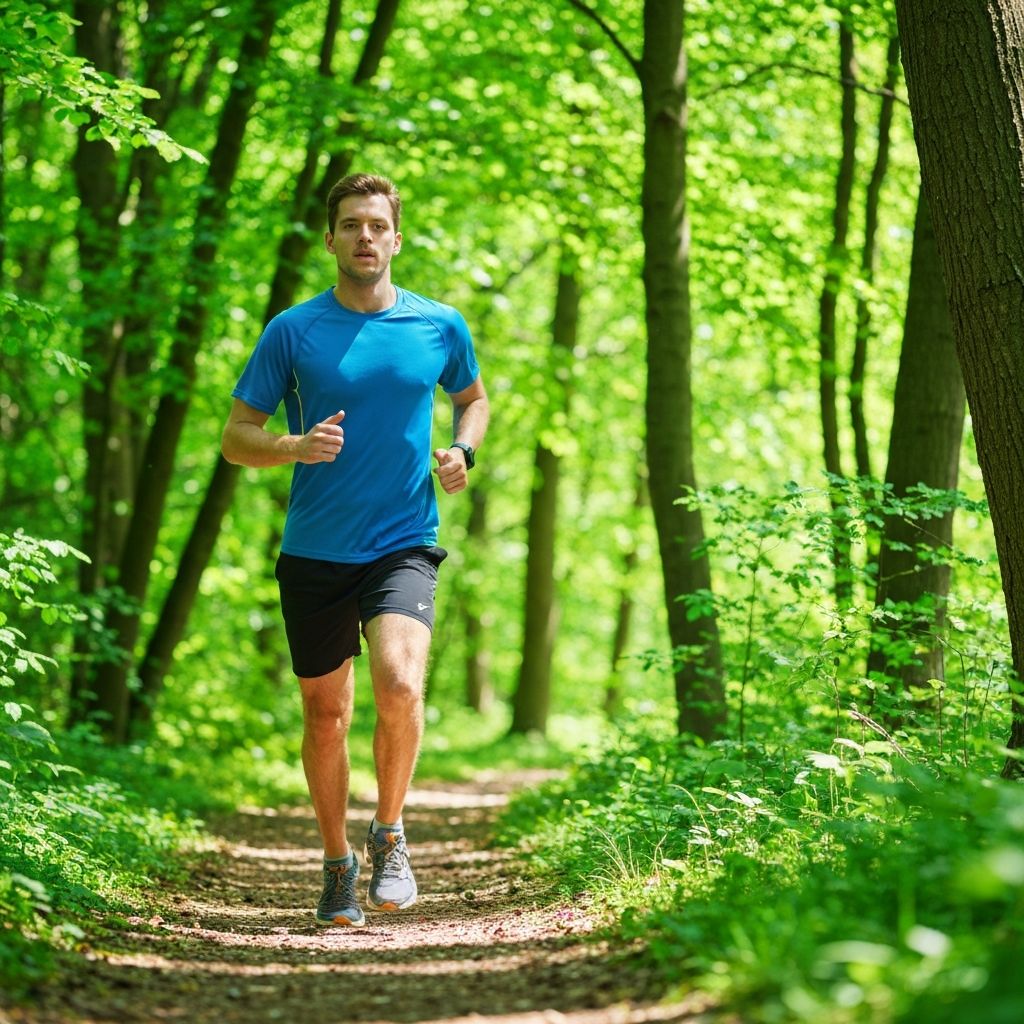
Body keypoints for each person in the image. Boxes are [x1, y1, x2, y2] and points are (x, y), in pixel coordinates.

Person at [221, 173, 489, 928]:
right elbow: (236, 438)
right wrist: (294, 446)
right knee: (325, 712)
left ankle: (391, 833)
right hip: (315, 551)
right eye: (351, 225)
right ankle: (339, 863)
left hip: (404, 539)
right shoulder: (292, 331)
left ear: (396, 238)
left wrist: (462, 452)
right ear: (331, 239)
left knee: (401, 684)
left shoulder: (438, 325)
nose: (365, 237)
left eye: (377, 225)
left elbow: (473, 399)